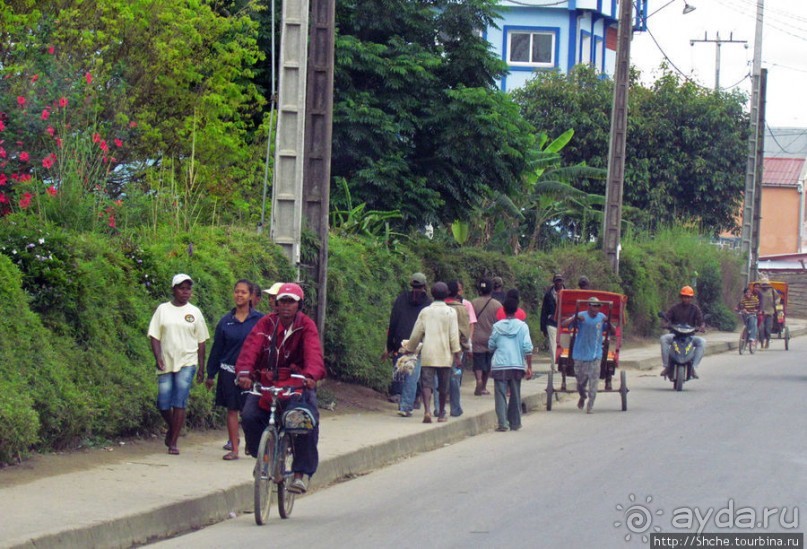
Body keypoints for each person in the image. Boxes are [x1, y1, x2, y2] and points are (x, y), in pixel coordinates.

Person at [235, 283, 326, 494]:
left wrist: (311, 376)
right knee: (249, 416)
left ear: (299, 305)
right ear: (276, 304)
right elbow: (251, 349)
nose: (286, 306)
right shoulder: (265, 323)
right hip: (267, 383)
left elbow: (313, 352)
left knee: (304, 421)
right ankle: (263, 456)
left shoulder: (306, 325)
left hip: (296, 384)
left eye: (291, 302)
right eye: (282, 301)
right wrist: (245, 373)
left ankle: (300, 474)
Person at [148, 274, 210, 455]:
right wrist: (158, 357)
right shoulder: (163, 310)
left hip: (187, 361)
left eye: (188, 289)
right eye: (181, 288)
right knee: (163, 403)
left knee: (179, 401)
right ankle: (173, 427)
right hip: (166, 361)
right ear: (173, 290)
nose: (185, 292)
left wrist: (201, 367)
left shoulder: (195, 312)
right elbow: (154, 335)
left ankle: (173, 442)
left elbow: (201, 341)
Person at [205, 279, 264, 460]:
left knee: (249, 411)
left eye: (243, 292)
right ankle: (235, 448)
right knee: (232, 410)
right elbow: (217, 349)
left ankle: (251, 444)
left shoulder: (260, 320)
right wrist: (211, 373)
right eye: (237, 291)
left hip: (252, 374)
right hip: (228, 371)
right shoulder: (225, 321)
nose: (239, 295)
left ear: (251, 296)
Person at [403, 282, 461, 424]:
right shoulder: (451, 312)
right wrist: (457, 354)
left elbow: (416, 333)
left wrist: (410, 348)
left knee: (426, 384)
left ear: (432, 294)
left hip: (428, 352)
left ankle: (427, 411)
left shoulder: (425, 312)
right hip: (445, 354)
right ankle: (441, 413)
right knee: (443, 386)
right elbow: (454, 336)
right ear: (447, 294)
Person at [384, 272, 432, 417]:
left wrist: (390, 345)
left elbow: (393, 322)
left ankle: (403, 398)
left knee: (402, 372)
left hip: (400, 342)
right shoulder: (428, 303)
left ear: (411, 284)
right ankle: (406, 404)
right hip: (419, 344)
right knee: (413, 374)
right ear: (424, 285)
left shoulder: (401, 299)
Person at [560, 296, 614, 414]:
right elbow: (564, 324)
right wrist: (575, 317)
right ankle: (582, 396)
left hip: (595, 355)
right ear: (589, 306)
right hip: (580, 354)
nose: (596, 308)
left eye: (598, 306)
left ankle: (590, 406)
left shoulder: (601, 317)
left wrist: (608, 322)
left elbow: (613, 331)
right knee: (580, 382)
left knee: (593, 382)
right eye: (594, 306)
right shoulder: (581, 315)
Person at [488, 292, 533, 431]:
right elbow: (528, 348)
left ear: (504, 310)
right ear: (516, 310)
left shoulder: (497, 326)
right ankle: (515, 422)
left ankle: (502, 423)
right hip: (516, 365)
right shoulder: (523, 326)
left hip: (500, 365)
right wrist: (529, 366)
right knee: (515, 394)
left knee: (500, 394)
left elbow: (491, 345)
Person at [436, 280, 471, 417]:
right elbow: (466, 332)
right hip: (456, 349)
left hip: (439, 346)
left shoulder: (436, 308)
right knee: (454, 378)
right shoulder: (461, 309)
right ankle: (455, 408)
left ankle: (438, 408)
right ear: (457, 292)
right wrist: (463, 346)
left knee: (438, 377)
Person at [659, 285, 705, 379]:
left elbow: (701, 321)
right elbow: (666, 318)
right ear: (681, 297)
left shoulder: (695, 309)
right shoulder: (675, 308)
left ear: (691, 298)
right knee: (663, 339)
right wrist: (664, 324)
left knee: (702, 342)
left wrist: (701, 327)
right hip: (675, 335)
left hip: (690, 337)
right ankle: (666, 366)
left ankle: (693, 367)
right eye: (684, 296)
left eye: (688, 297)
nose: (686, 299)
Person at [471, 279, 502, 396]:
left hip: (476, 336)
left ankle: (478, 380)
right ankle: (483, 387)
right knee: (488, 363)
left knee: (478, 361)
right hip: (491, 337)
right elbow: (500, 322)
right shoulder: (497, 305)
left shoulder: (473, 303)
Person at [540, 273, 565, 370]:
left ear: (562, 282)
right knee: (552, 344)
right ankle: (554, 365)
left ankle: (562, 364)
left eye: (560, 281)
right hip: (551, 322)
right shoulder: (548, 295)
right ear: (554, 282)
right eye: (557, 281)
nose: (558, 283)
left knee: (563, 344)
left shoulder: (567, 293)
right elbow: (544, 311)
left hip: (563, 323)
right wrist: (543, 328)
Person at [755, 278, 779, 349]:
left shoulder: (772, 291)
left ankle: (767, 341)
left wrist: (775, 303)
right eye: (763, 284)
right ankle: (762, 343)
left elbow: (778, 298)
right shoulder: (759, 291)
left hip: (770, 312)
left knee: (768, 329)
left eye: (766, 284)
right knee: (761, 329)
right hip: (761, 312)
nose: (765, 285)